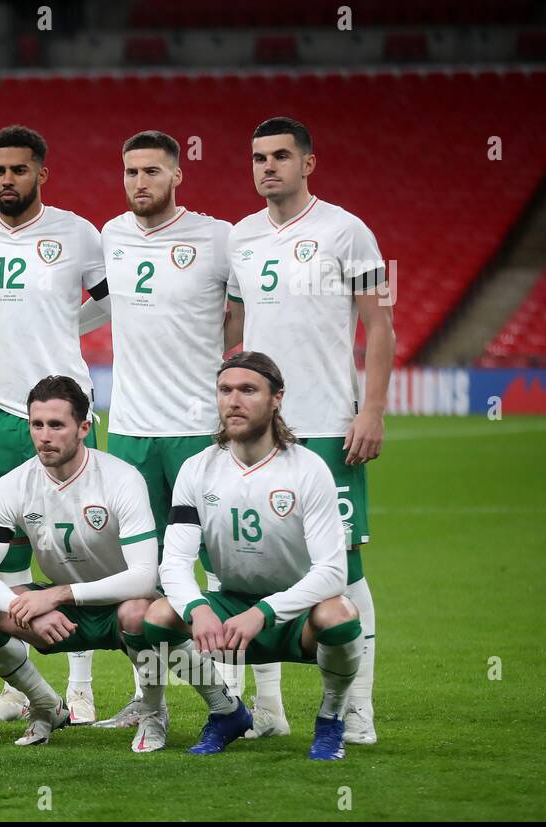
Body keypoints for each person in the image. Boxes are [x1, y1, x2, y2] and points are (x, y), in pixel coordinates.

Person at [226, 116, 392, 743]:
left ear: (307, 163)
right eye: (257, 157)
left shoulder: (347, 231)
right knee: (252, 565)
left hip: (327, 422)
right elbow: (236, 333)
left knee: (343, 569)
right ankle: (267, 709)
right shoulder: (241, 238)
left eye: (279, 156)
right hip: (259, 428)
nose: (266, 166)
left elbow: (379, 325)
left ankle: (357, 710)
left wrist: (370, 409)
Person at [81, 129, 244, 727]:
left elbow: (244, 309)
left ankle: (244, 694)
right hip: (129, 429)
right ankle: (149, 701)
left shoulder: (218, 237)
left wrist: (220, 362)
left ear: (178, 175)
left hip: (199, 427)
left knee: (225, 562)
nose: (139, 183)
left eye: (151, 171)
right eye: (130, 172)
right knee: (137, 569)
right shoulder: (112, 235)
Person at [0, 125, 111, 726]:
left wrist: (64, 324)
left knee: (79, 546)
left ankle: (80, 687)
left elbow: (109, 297)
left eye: (19, 170)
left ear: (41, 173)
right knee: (7, 549)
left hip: (65, 405)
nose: (7, 181)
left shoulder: (78, 233)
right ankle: (22, 687)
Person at [142, 351, 363, 760]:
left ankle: (331, 719)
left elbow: (334, 571)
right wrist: (196, 608)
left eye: (248, 390)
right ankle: (226, 711)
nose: (233, 400)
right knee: (157, 617)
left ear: (277, 398)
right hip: (230, 612)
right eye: (225, 390)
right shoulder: (197, 469)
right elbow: (173, 561)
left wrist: (264, 611)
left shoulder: (308, 469)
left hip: (295, 617)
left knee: (340, 614)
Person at [0, 376, 159, 747]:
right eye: (37, 424)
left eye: (56, 425)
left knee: (139, 613)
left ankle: (152, 711)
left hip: (123, 602)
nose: (44, 435)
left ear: (84, 427)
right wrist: (23, 605)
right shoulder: (13, 485)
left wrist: (56, 596)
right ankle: (46, 705)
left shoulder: (121, 478)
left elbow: (145, 578)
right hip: (65, 612)